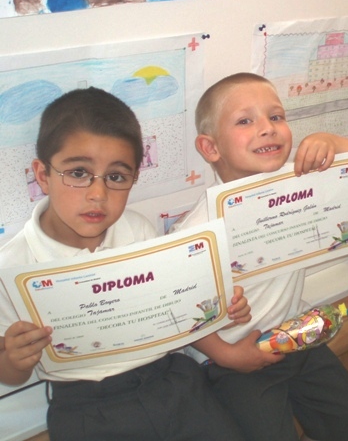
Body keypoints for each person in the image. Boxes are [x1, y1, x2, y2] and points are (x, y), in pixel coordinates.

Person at [0, 87, 250, 441]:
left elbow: (174, 305)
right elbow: (10, 375)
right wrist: (15, 359)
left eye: (116, 177)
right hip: (86, 407)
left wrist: (221, 306)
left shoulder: (138, 230)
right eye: (78, 172)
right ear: (42, 175)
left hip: (170, 380)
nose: (97, 194)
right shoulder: (13, 266)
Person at [171, 72, 348, 441]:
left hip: (294, 335)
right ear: (210, 148)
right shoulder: (198, 230)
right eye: (245, 121)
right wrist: (227, 356)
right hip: (233, 357)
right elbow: (179, 311)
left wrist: (332, 141)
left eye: (276, 116)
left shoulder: (302, 179)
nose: (267, 128)